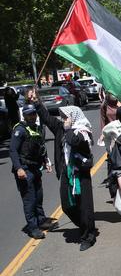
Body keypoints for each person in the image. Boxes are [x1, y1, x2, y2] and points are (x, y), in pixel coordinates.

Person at [32, 93, 98, 251]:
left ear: (73, 117)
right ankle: (83, 225)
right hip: (66, 173)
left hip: (80, 173)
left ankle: (88, 236)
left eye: (65, 116)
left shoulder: (82, 131)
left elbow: (74, 141)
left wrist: (69, 128)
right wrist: (37, 102)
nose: (62, 119)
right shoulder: (62, 129)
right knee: (67, 205)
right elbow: (47, 118)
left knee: (84, 206)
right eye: (62, 117)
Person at [9, 104, 55, 239]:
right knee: (29, 200)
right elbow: (13, 150)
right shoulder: (20, 130)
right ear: (24, 115)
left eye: (34, 114)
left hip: (35, 167)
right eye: (29, 114)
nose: (32, 116)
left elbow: (41, 146)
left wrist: (46, 161)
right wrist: (19, 168)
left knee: (38, 197)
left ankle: (41, 221)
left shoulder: (36, 128)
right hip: (24, 169)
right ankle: (33, 228)